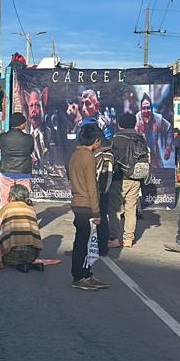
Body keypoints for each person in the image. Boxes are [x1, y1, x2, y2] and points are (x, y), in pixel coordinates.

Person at [69, 124, 107, 290]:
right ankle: (80, 276)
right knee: (84, 244)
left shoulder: (75, 154)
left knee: (84, 241)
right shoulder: (88, 157)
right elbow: (92, 186)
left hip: (78, 202)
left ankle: (86, 274)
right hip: (86, 205)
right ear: (96, 141)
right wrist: (96, 211)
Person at [0, 183, 43, 272]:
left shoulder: (8, 207)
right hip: (32, 255)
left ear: (12, 196)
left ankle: (5, 262)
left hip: (11, 255)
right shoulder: (31, 209)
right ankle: (28, 264)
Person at [110, 112, 147, 248]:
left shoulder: (117, 138)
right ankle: (128, 240)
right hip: (136, 177)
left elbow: (112, 158)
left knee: (115, 209)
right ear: (135, 123)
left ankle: (114, 238)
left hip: (119, 178)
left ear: (120, 124)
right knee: (131, 209)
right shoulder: (140, 138)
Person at [0, 112, 34, 206]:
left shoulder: (3, 137)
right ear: (21, 124)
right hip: (23, 172)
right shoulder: (29, 138)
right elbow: (30, 151)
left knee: (5, 197)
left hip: (6, 171)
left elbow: (1, 148)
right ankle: (23, 216)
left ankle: (5, 217)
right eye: (24, 122)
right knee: (24, 197)